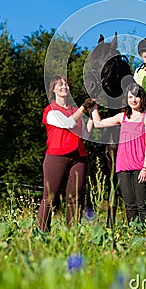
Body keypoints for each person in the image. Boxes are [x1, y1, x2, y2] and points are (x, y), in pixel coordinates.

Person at [91, 83, 146, 224]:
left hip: (140, 167)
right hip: (123, 167)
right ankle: (133, 234)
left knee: (142, 205)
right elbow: (98, 124)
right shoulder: (123, 117)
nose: (133, 100)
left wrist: (145, 168)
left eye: (136, 96)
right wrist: (93, 107)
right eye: (130, 96)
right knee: (129, 206)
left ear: (141, 98)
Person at [38, 74, 95, 232]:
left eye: (66, 85)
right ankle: (42, 231)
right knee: (50, 196)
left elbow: (86, 133)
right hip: (57, 156)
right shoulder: (50, 111)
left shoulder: (75, 110)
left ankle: (73, 233)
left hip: (79, 157)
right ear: (53, 89)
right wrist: (84, 107)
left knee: (76, 197)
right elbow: (68, 123)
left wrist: (91, 113)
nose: (64, 87)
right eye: (60, 85)